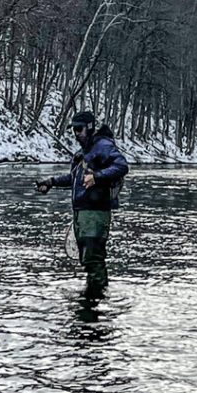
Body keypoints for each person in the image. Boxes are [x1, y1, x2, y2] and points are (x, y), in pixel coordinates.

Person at [35, 111, 129, 297]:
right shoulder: (84, 153)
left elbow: (122, 166)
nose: (76, 133)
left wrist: (97, 177)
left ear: (90, 128)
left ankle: (95, 298)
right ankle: (95, 297)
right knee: (88, 259)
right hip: (82, 213)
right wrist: (51, 182)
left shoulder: (103, 145)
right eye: (74, 130)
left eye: (79, 129)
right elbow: (74, 179)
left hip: (95, 213)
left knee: (93, 258)